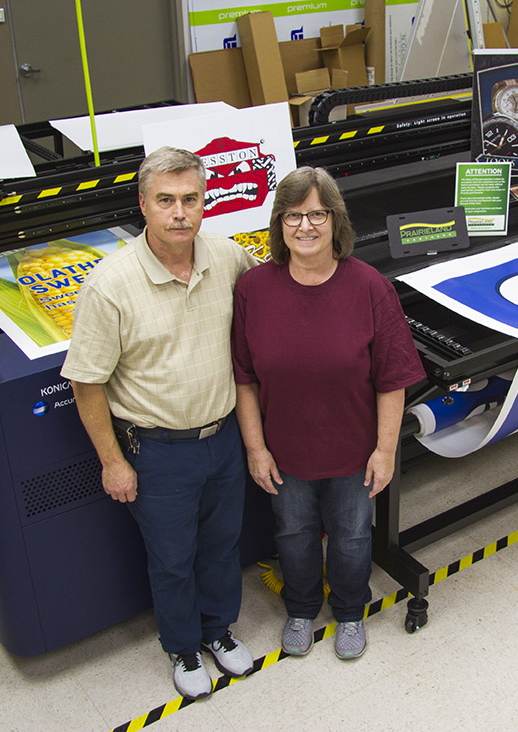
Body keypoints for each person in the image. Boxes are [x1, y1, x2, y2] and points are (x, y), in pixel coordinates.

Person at [61, 146, 257, 700]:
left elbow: (274, 298)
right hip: (157, 451)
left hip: (224, 439)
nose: (179, 213)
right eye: (166, 201)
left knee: (222, 546)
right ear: (143, 204)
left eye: (190, 199)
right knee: (172, 559)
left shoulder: (227, 257)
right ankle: (182, 646)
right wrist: (112, 462)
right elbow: (86, 383)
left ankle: (219, 631)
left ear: (205, 202)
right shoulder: (110, 285)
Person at [231, 166, 425, 660]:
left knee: (352, 536)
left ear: (336, 221)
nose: (305, 226)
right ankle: (300, 607)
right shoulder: (254, 289)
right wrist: (256, 449)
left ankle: (348, 612)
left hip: (353, 453)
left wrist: (385, 450)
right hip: (285, 452)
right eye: (293, 215)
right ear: (279, 224)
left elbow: (392, 381)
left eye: (317, 214)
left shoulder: (370, 288)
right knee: (292, 536)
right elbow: (244, 379)